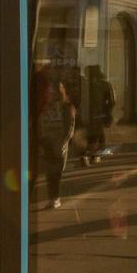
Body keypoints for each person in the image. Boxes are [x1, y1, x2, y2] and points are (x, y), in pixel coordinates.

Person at [33, 75, 77, 210]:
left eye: (56, 90)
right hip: (47, 142)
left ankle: (55, 198)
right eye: (51, 90)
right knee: (49, 172)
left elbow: (70, 126)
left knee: (55, 172)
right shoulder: (45, 106)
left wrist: (63, 142)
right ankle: (53, 198)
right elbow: (40, 123)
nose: (52, 93)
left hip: (58, 144)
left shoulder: (67, 107)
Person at [80, 65, 115, 166]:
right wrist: (107, 111)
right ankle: (93, 156)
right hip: (101, 114)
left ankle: (92, 156)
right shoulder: (106, 84)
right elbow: (112, 101)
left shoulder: (86, 85)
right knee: (98, 136)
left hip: (90, 115)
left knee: (95, 136)